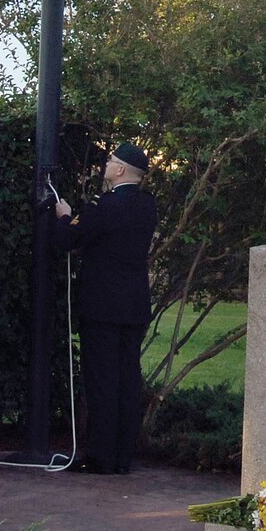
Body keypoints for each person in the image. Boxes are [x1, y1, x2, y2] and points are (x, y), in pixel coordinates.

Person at [52, 142, 159, 475]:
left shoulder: (104, 205)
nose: (106, 166)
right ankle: (122, 456)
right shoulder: (147, 206)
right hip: (134, 303)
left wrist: (64, 216)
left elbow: (68, 240)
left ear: (121, 170)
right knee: (128, 379)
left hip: (102, 305)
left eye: (111, 161)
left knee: (102, 380)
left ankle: (101, 456)